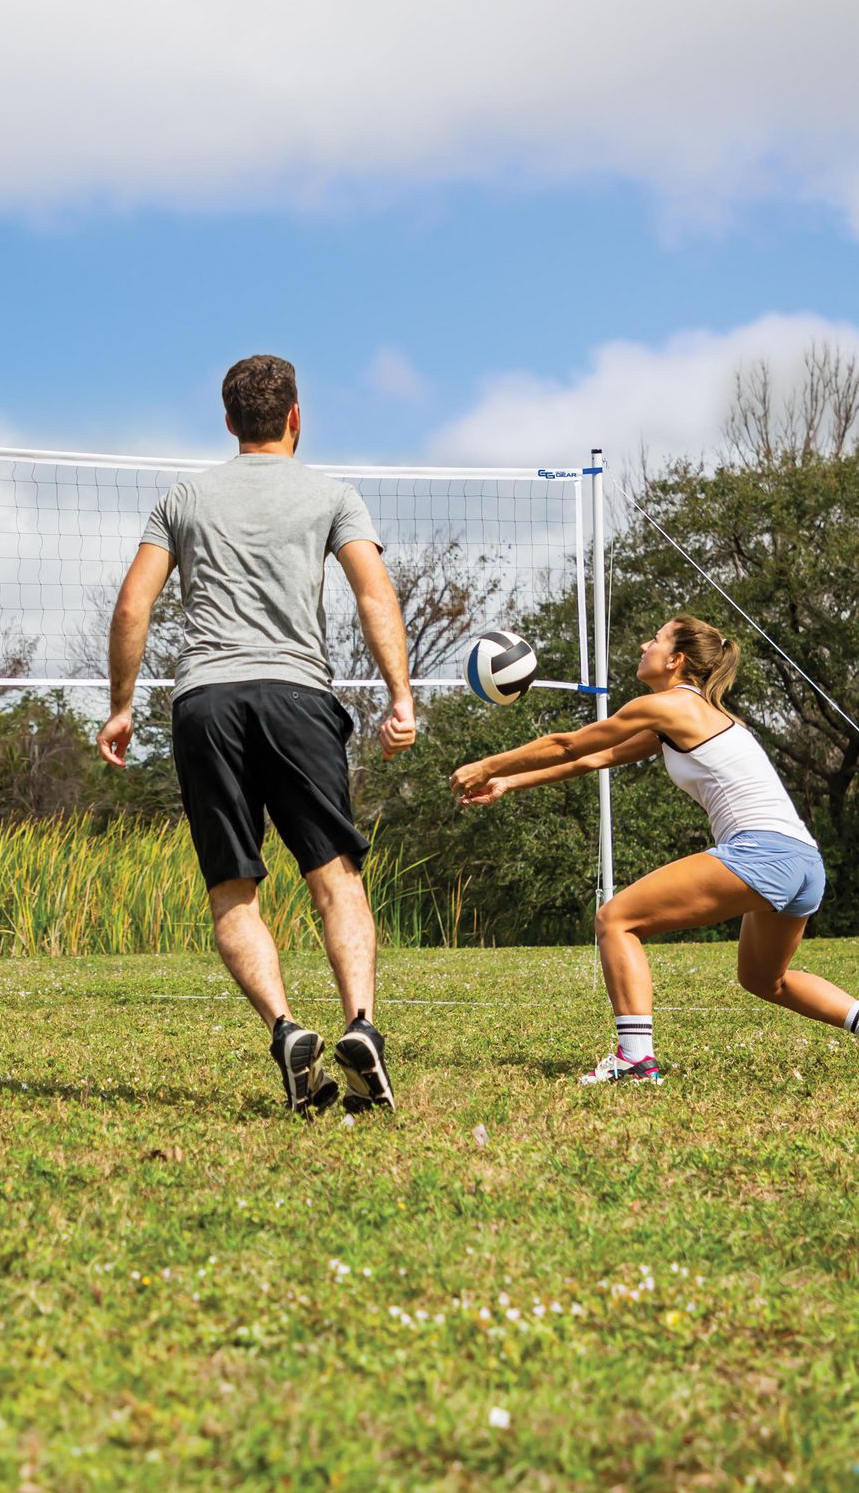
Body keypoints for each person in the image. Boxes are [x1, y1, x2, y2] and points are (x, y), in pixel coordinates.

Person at [97, 355, 416, 1117]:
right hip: (297, 694)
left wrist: (121, 703)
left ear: (230, 420)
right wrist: (400, 697)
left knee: (232, 891)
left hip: (206, 699)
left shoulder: (184, 496)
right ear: (296, 417)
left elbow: (131, 607)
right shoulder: (332, 493)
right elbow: (375, 593)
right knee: (334, 877)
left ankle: (283, 1029)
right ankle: (361, 1026)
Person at [450, 615, 859, 1082]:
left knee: (616, 919)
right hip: (804, 861)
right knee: (766, 980)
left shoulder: (667, 707)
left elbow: (567, 743)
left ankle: (635, 1059)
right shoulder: (692, 714)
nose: (645, 644)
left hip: (763, 853)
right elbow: (595, 757)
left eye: (656, 639)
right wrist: (508, 781)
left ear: (675, 659)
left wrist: (485, 764)